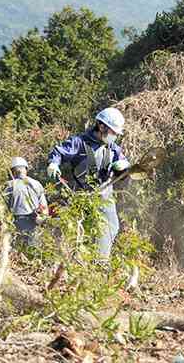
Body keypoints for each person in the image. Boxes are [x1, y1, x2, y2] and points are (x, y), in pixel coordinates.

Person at [46, 107, 130, 258]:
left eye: (116, 134)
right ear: (101, 126)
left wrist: (123, 169)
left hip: (105, 196)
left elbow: (124, 169)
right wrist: (53, 164)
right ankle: (71, 262)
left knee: (111, 227)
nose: (114, 136)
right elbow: (58, 152)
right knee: (77, 231)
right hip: (81, 195)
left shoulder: (113, 149)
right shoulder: (79, 142)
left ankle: (100, 264)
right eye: (113, 132)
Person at [4, 156, 49, 246]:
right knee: (34, 251)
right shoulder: (37, 184)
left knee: (18, 250)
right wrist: (42, 218)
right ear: (25, 169)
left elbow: (4, 208)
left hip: (17, 223)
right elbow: (44, 206)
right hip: (35, 221)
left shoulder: (9, 185)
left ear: (13, 172)